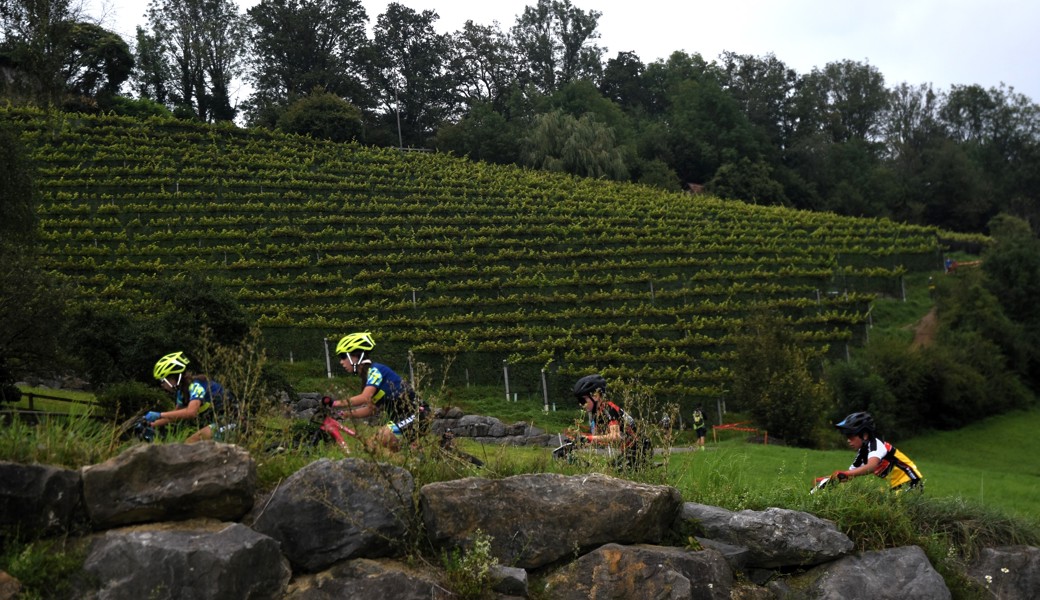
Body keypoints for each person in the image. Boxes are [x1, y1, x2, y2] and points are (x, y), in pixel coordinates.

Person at [325, 332, 428, 452]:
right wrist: (344, 414)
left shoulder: (376, 371)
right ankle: (413, 458)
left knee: (384, 436)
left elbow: (364, 398)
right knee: (370, 447)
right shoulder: (366, 378)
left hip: (418, 414)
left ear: (356, 356)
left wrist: (334, 403)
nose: (341, 362)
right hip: (401, 419)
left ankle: (412, 456)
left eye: (343, 356)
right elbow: (371, 409)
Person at [145, 351, 237, 443]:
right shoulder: (181, 392)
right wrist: (149, 424)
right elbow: (175, 416)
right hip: (219, 422)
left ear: (174, 377)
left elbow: (191, 412)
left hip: (233, 421)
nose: (162, 385)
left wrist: (160, 414)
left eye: (163, 380)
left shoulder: (196, 385)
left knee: (189, 443)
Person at [569, 374, 652, 469]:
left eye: (583, 400)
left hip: (640, 449)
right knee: (607, 469)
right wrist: (578, 441)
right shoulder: (597, 414)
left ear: (595, 396)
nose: (581, 404)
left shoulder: (608, 408)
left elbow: (615, 436)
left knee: (612, 472)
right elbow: (598, 438)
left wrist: (588, 438)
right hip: (628, 450)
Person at [827, 411, 923, 492]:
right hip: (895, 486)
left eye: (851, 436)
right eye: (847, 437)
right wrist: (827, 481)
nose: (848, 440)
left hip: (911, 482)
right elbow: (848, 474)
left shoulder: (876, 445)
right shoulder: (863, 452)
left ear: (864, 435)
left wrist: (847, 474)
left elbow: (871, 466)